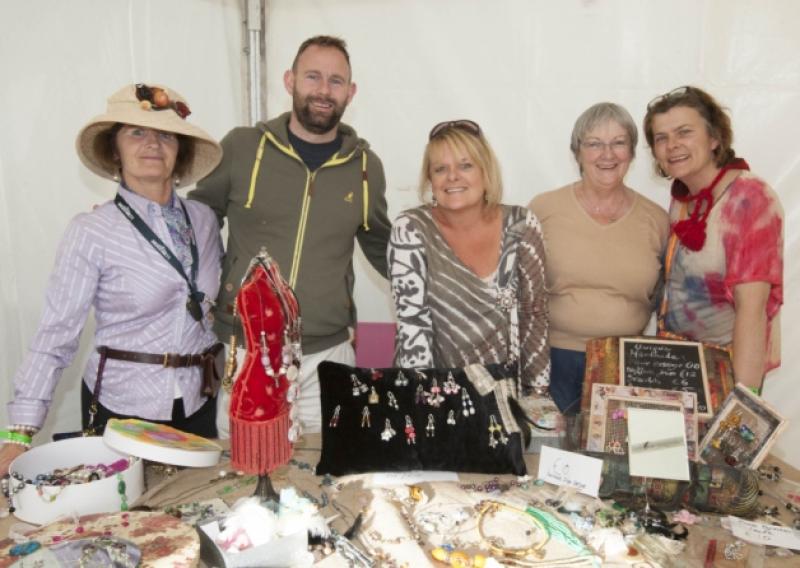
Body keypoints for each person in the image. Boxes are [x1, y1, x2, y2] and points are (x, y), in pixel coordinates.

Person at [1, 83, 224, 476]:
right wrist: (21, 430)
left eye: (166, 134)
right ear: (114, 149)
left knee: (193, 513)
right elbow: (56, 334)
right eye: (136, 132)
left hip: (198, 404)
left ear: (180, 150)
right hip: (124, 409)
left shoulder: (204, 221)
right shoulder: (92, 231)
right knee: (130, 525)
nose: (152, 144)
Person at [189, 35, 391, 434]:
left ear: (351, 92)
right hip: (245, 349)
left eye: (336, 81)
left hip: (326, 355)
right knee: (243, 471)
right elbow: (197, 219)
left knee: (326, 475)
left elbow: (386, 249)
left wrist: (448, 273)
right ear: (289, 81)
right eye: (312, 76)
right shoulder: (243, 146)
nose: (323, 90)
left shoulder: (366, 166)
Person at [390, 120, 549, 395]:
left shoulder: (522, 224)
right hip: (434, 395)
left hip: (506, 397)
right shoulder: (410, 229)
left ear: (486, 172)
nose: (453, 177)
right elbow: (412, 325)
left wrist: (537, 395)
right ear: (430, 180)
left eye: (465, 165)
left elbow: (534, 315)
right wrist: (426, 402)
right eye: (441, 169)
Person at [529, 103, 669, 414]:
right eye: (594, 144)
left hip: (624, 364)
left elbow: (663, 299)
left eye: (618, 142)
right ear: (577, 152)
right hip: (552, 362)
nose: (607, 154)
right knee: (550, 458)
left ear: (632, 152)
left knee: (613, 457)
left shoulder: (657, 220)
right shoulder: (542, 210)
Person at [643, 86, 783, 391]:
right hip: (678, 368)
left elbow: (752, 313)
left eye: (684, 132)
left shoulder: (749, 199)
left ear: (715, 138)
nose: (672, 146)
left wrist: (741, 403)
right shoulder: (683, 197)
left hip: (724, 376)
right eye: (661, 138)